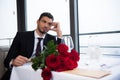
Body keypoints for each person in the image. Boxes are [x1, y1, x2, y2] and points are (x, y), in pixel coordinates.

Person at [1, 12, 62, 80]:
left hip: (40, 75)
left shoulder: (51, 39)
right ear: (38, 22)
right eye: (44, 22)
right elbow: (6, 61)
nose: (46, 25)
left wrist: (59, 34)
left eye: (49, 24)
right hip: (20, 74)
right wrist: (13, 62)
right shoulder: (21, 36)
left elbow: (59, 56)